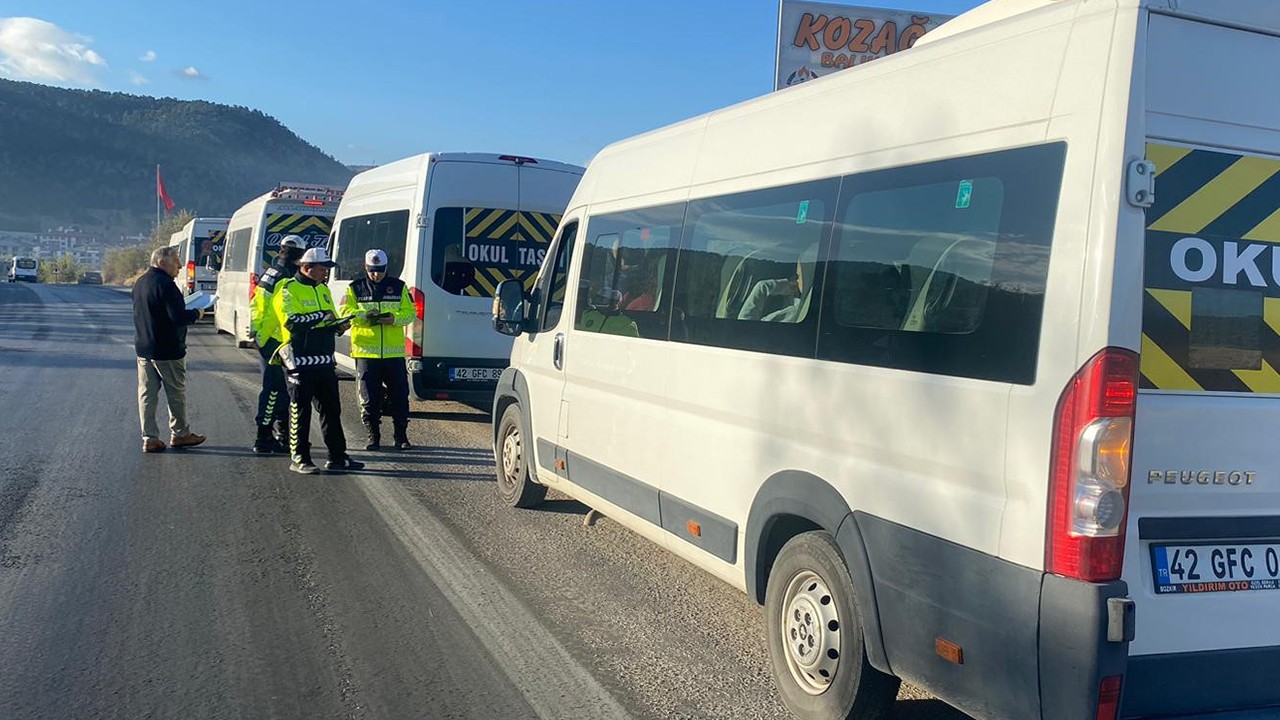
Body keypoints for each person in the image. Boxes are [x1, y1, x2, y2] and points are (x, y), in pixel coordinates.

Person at [272, 247, 364, 475]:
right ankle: (300, 458)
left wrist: (340, 325)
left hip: (324, 360)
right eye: (322, 269)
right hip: (299, 361)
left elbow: (330, 318)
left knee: (332, 411)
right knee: (300, 411)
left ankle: (337, 456)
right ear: (307, 268)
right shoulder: (287, 289)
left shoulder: (322, 289)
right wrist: (322, 317)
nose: (325, 274)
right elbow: (292, 322)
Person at [339, 249, 415, 451]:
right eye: (372, 270)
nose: (376, 274)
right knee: (369, 398)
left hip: (393, 353)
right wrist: (365, 315)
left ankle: (401, 436)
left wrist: (393, 318)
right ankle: (373, 436)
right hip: (366, 352)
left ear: (386, 268)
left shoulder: (398, 287)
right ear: (366, 268)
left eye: (380, 270)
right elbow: (345, 312)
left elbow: (410, 313)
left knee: (399, 396)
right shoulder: (355, 288)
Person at [133, 245, 206, 453]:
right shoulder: (167, 285)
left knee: (147, 395)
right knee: (176, 393)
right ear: (162, 262)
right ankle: (181, 434)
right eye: (176, 262)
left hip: (144, 348)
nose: (180, 266)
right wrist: (197, 313)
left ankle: (149, 438)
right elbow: (178, 317)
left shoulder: (140, 283)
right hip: (168, 349)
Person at [248, 234, 307, 454]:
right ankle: (263, 435)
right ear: (299, 256)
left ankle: (283, 433)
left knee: (281, 388)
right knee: (274, 389)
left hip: (266, 338)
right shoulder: (287, 278)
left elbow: (255, 304)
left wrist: (255, 332)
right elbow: (282, 314)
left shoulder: (269, 273)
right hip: (278, 341)